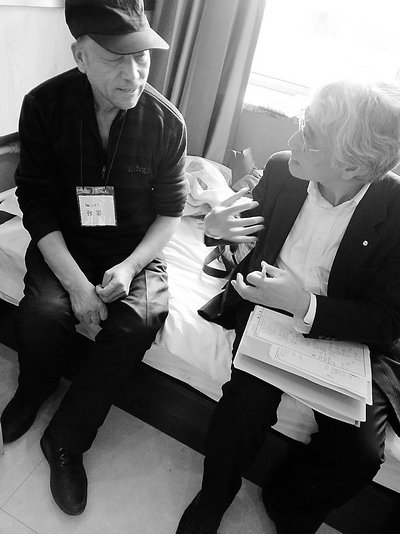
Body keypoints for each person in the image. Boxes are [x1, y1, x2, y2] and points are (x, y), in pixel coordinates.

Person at [176, 79, 400, 534]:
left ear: (352, 162)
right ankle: (213, 498)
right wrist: (215, 229)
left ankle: (287, 503)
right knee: (242, 410)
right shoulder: (282, 170)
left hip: (345, 334)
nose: (292, 139)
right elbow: (243, 233)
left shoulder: (395, 209)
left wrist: (305, 305)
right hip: (266, 313)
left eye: (309, 135)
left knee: (359, 454)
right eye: (302, 123)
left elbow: (386, 320)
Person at [0, 0, 187, 516]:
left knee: (139, 321)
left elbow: (170, 213)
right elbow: (35, 201)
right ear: (80, 56)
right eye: (114, 60)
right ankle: (32, 390)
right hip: (64, 238)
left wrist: (130, 267)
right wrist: (77, 286)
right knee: (44, 310)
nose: (133, 75)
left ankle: (66, 438)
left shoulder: (165, 122)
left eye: (141, 58)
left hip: (133, 249)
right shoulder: (44, 105)